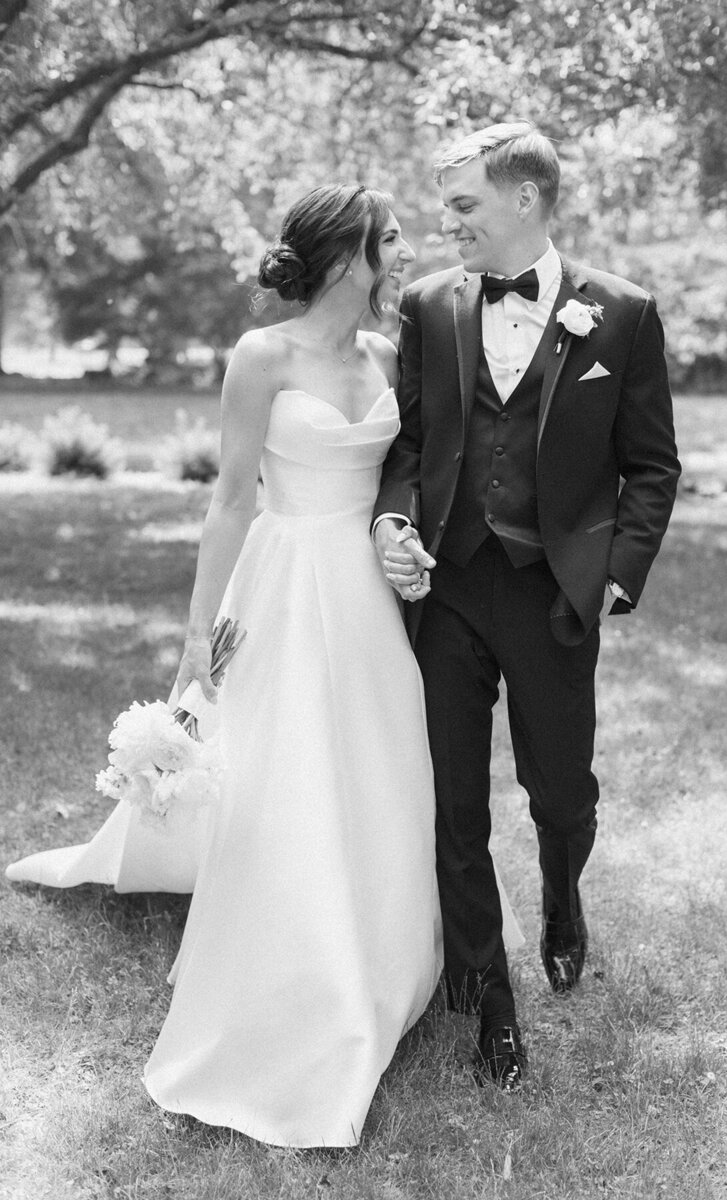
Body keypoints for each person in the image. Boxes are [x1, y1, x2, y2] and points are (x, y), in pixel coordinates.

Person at [9, 184, 447, 1147]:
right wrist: (196, 632)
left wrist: (401, 539)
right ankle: (297, 961)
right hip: (283, 581)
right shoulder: (262, 357)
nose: (407, 250)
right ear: (347, 257)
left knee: (377, 763)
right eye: (392, 238)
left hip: (367, 595)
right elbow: (230, 502)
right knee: (284, 768)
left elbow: (406, 472)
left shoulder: (389, 352)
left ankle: (388, 950)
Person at [374, 123, 681, 1092]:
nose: (443, 221)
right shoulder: (426, 308)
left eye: (461, 204)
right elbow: (405, 450)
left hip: (553, 598)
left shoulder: (622, 315)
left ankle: (560, 891)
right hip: (450, 589)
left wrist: (613, 577)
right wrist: (389, 520)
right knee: (451, 802)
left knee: (559, 793)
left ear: (522, 200)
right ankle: (486, 998)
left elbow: (651, 467)